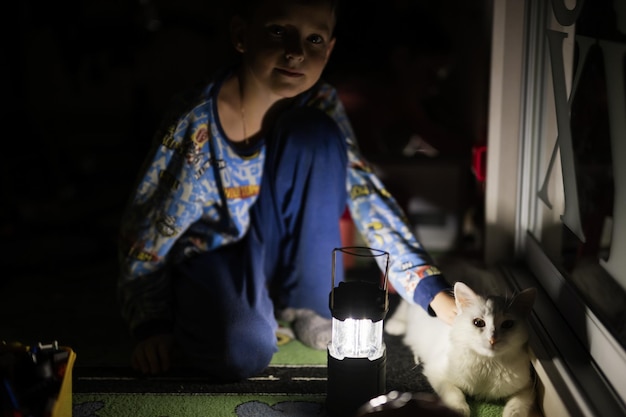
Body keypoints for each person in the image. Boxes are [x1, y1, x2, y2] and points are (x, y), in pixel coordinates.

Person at [118, 0, 457, 380]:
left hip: (288, 257)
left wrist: (430, 290)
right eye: (278, 31)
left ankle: (302, 304)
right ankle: (245, 313)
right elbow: (147, 232)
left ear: (329, 51)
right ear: (242, 35)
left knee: (316, 133)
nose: (296, 53)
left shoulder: (321, 102)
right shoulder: (196, 123)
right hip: (217, 255)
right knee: (242, 352)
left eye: (313, 39)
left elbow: (368, 198)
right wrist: (151, 323)